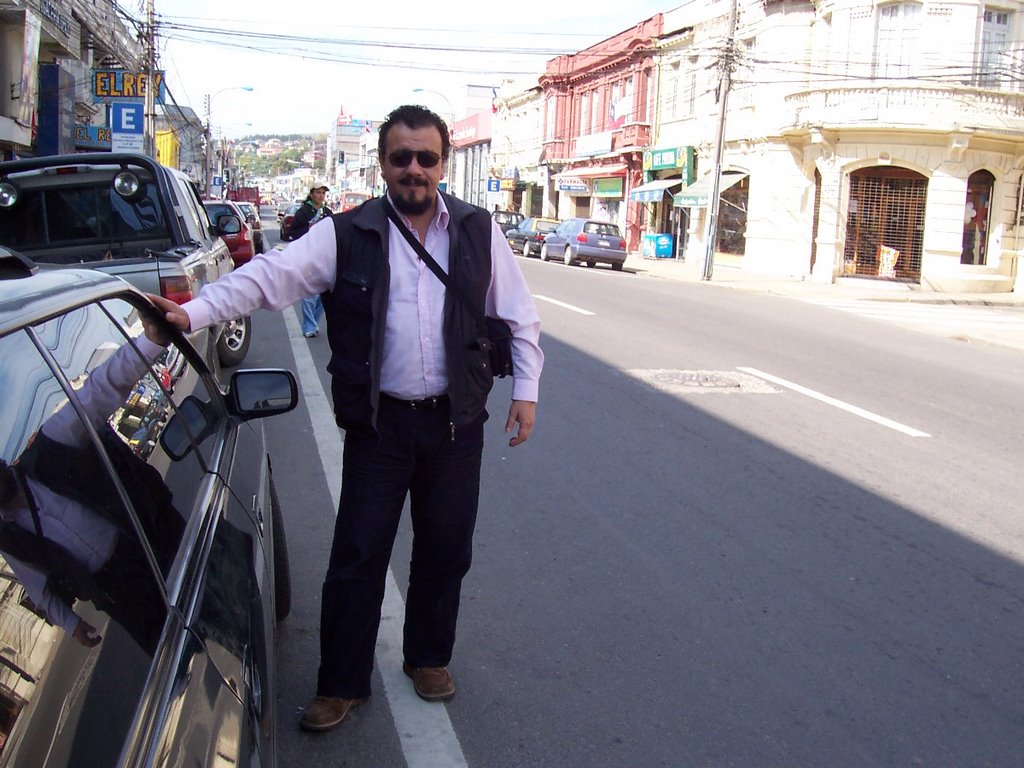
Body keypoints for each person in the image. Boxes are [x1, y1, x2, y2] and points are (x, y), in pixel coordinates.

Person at [148, 103, 543, 733]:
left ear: (442, 164)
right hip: (380, 427)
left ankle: (428, 657)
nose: (414, 169)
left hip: (454, 426)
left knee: (446, 548)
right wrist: (192, 314)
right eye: (401, 157)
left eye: (427, 158)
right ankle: (341, 682)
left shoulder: (477, 230)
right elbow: (266, 279)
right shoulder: (345, 233)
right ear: (383, 163)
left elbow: (518, 316)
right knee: (358, 554)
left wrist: (526, 391)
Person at [290, 183, 333, 338]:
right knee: (309, 293)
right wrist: (308, 230)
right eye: (318, 192)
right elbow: (293, 233)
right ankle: (309, 325)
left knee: (323, 294)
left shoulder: (327, 212)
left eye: (323, 193)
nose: (321, 195)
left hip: (325, 257)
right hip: (308, 256)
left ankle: (313, 322)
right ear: (312, 194)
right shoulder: (303, 212)